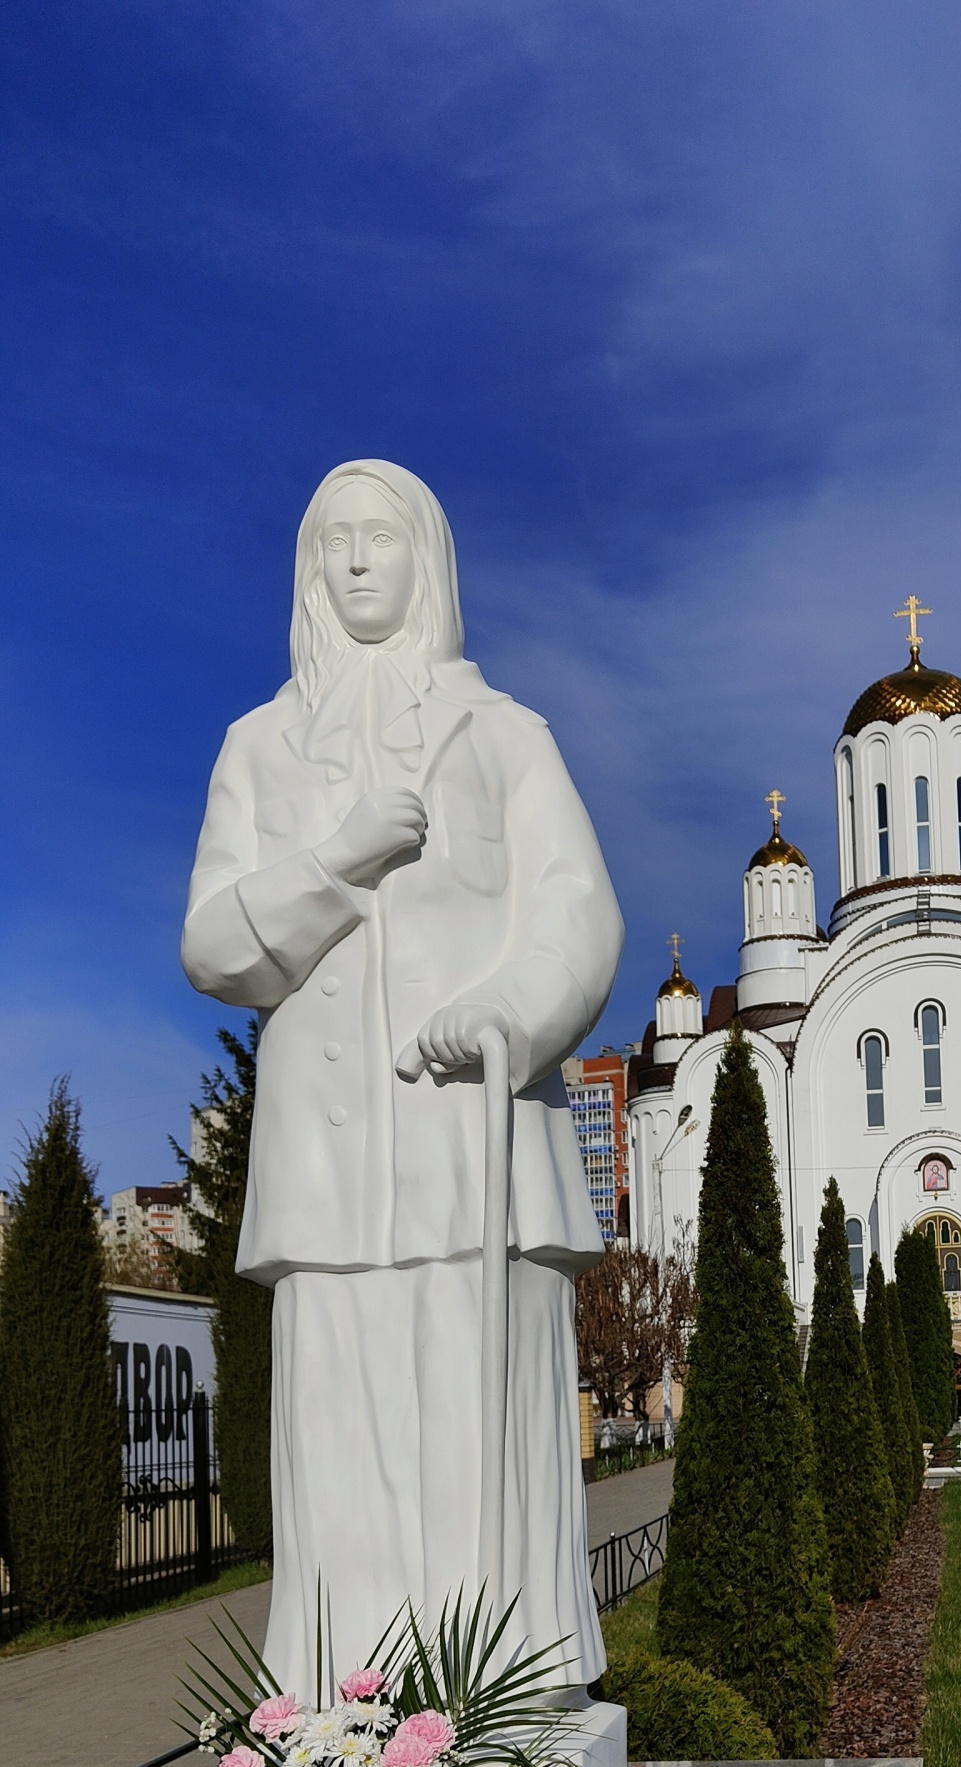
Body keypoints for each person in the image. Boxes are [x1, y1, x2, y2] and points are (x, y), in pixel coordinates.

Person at [182, 461, 624, 1701]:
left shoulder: (501, 735)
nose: (359, 561)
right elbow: (214, 944)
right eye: (335, 543)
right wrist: (339, 857)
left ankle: (505, 1690)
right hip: (329, 1180)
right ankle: (340, 1705)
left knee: (468, 1438)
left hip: (468, 1145)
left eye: (383, 536)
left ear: (426, 559)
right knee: (340, 1443)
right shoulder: (258, 749)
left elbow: (579, 919)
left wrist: (511, 1009)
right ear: (310, 571)